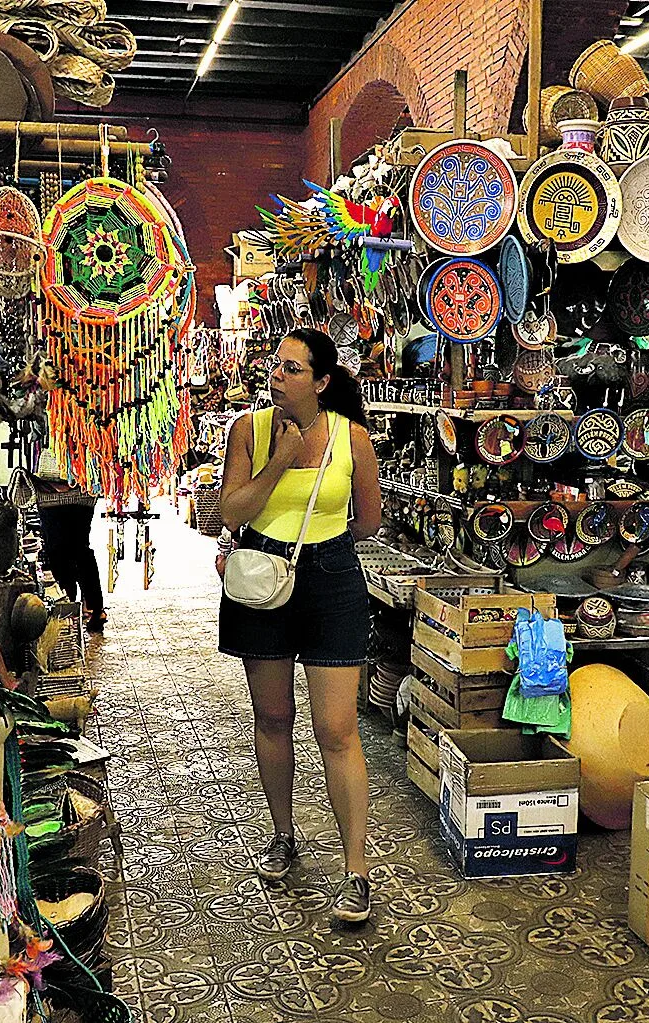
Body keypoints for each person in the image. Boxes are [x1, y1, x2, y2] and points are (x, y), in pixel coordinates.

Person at [217, 328, 382, 924]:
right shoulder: (249, 431)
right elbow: (230, 510)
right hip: (261, 575)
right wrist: (281, 460)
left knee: (336, 728)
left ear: (322, 381)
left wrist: (318, 550)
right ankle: (284, 836)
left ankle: (356, 871)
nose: (276, 374)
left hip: (333, 577)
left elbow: (367, 521)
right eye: (273, 364)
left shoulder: (351, 438)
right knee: (273, 717)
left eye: (291, 367)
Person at [39, 499, 107, 632]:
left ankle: (69, 607)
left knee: (59, 552)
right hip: (79, 496)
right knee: (80, 550)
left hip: (50, 497)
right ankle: (94, 608)